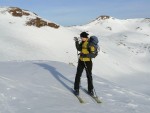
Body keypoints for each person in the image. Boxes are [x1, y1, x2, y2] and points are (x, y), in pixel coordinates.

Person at [74, 32, 97, 96]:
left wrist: (85, 55)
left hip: (88, 62)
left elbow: (93, 54)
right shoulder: (82, 42)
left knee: (89, 76)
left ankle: (90, 90)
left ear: (85, 37)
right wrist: (76, 42)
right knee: (78, 75)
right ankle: (76, 89)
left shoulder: (90, 44)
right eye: (81, 37)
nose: (81, 38)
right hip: (81, 61)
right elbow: (79, 49)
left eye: (82, 37)